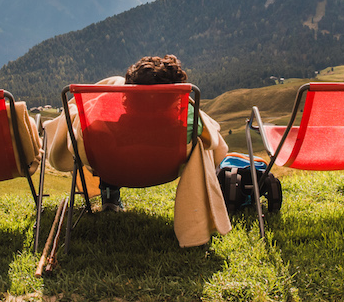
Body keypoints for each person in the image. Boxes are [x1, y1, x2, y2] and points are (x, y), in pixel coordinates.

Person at [45, 55, 232, 247]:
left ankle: (110, 194)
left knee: (105, 141)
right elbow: (203, 131)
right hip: (164, 168)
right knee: (201, 146)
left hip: (113, 168)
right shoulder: (186, 121)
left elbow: (83, 135)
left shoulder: (115, 121)